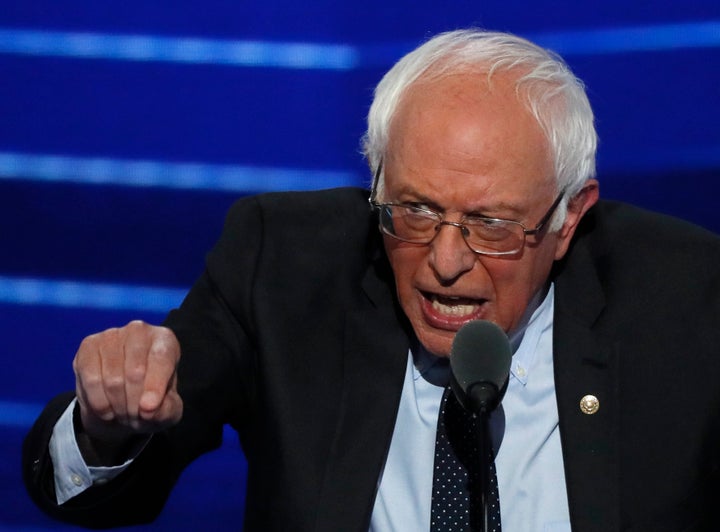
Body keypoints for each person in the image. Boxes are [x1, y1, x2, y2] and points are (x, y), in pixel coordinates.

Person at [23, 28, 720, 531]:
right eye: (413, 209)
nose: (446, 260)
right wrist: (105, 425)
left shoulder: (687, 299)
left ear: (569, 219)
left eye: (493, 223)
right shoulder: (283, 263)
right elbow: (91, 494)